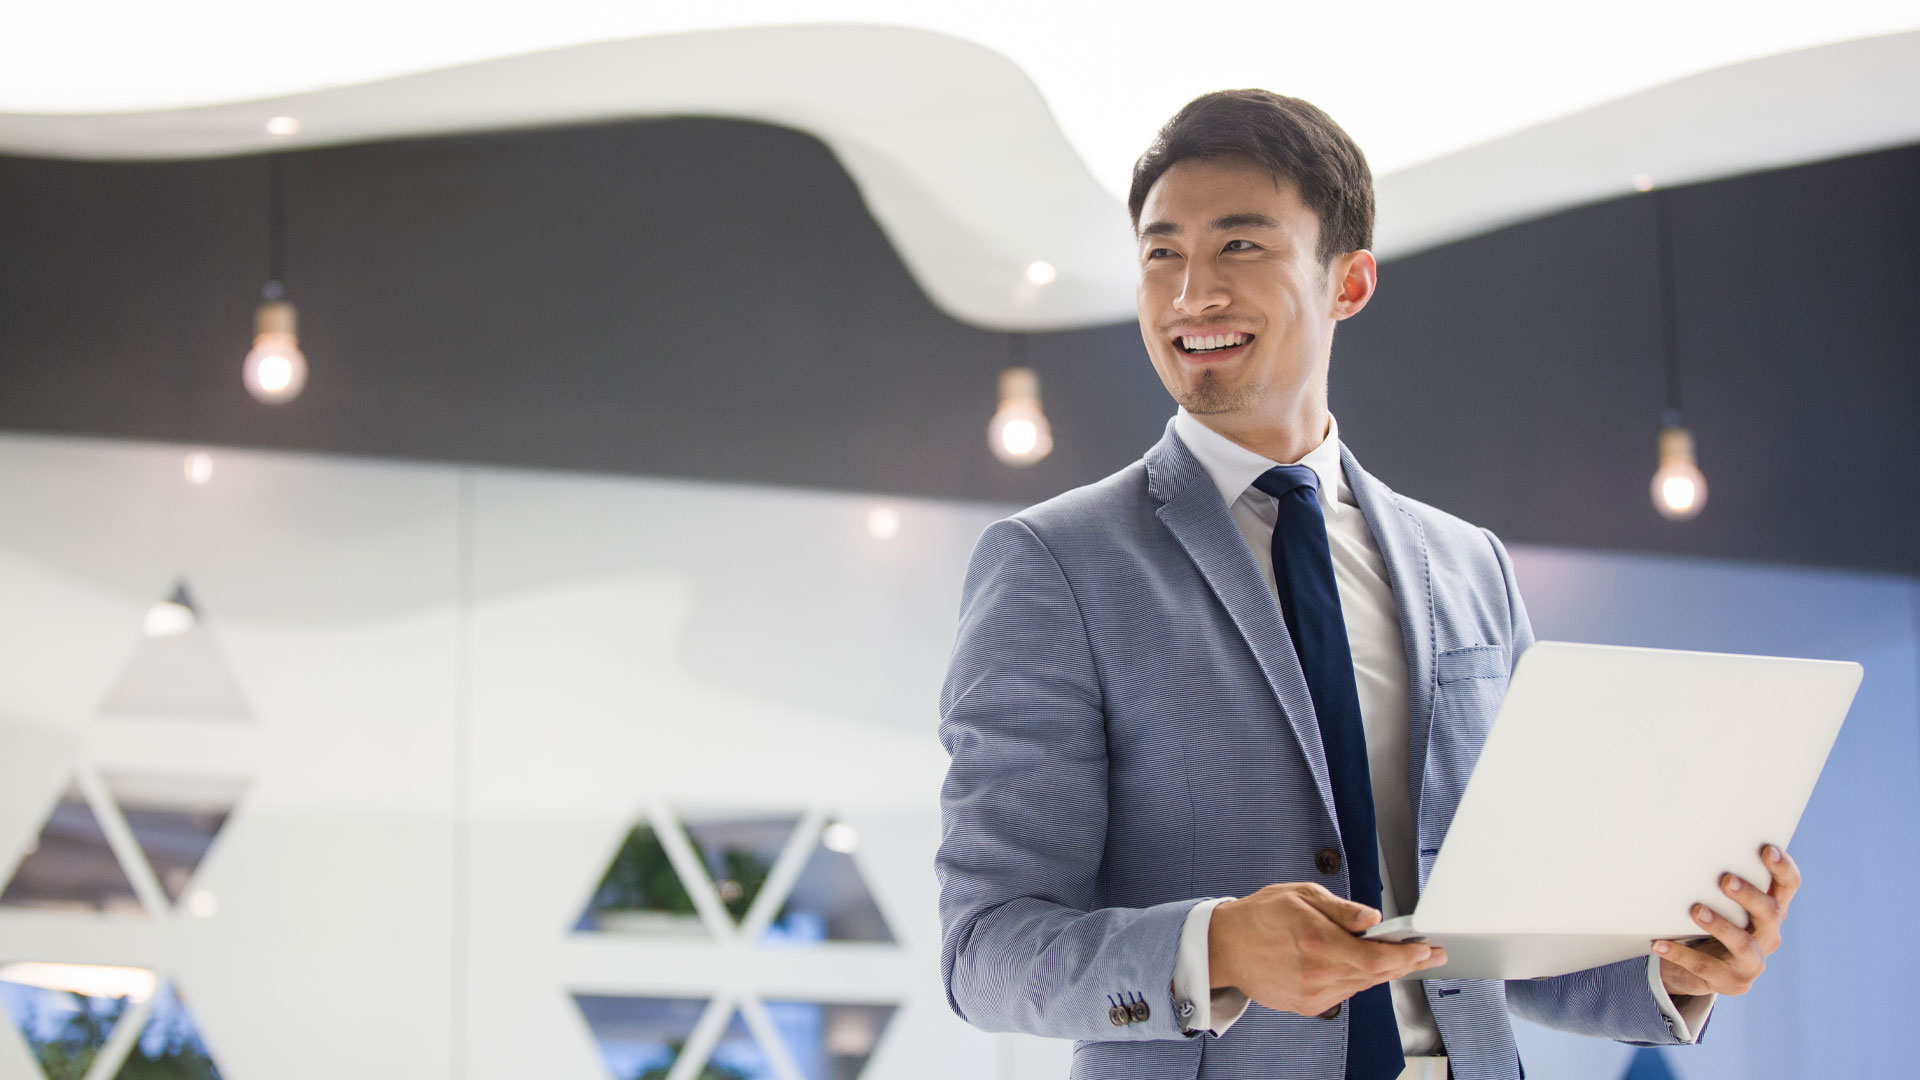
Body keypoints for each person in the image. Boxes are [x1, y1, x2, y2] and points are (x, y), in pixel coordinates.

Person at [935, 89, 1800, 1080]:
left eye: (1240, 247)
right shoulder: (1055, 565)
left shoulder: (1469, 567)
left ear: (1349, 282)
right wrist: (1215, 948)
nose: (1190, 295)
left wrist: (1684, 964)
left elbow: (1504, 939)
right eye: (1161, 254)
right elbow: (987, 953)